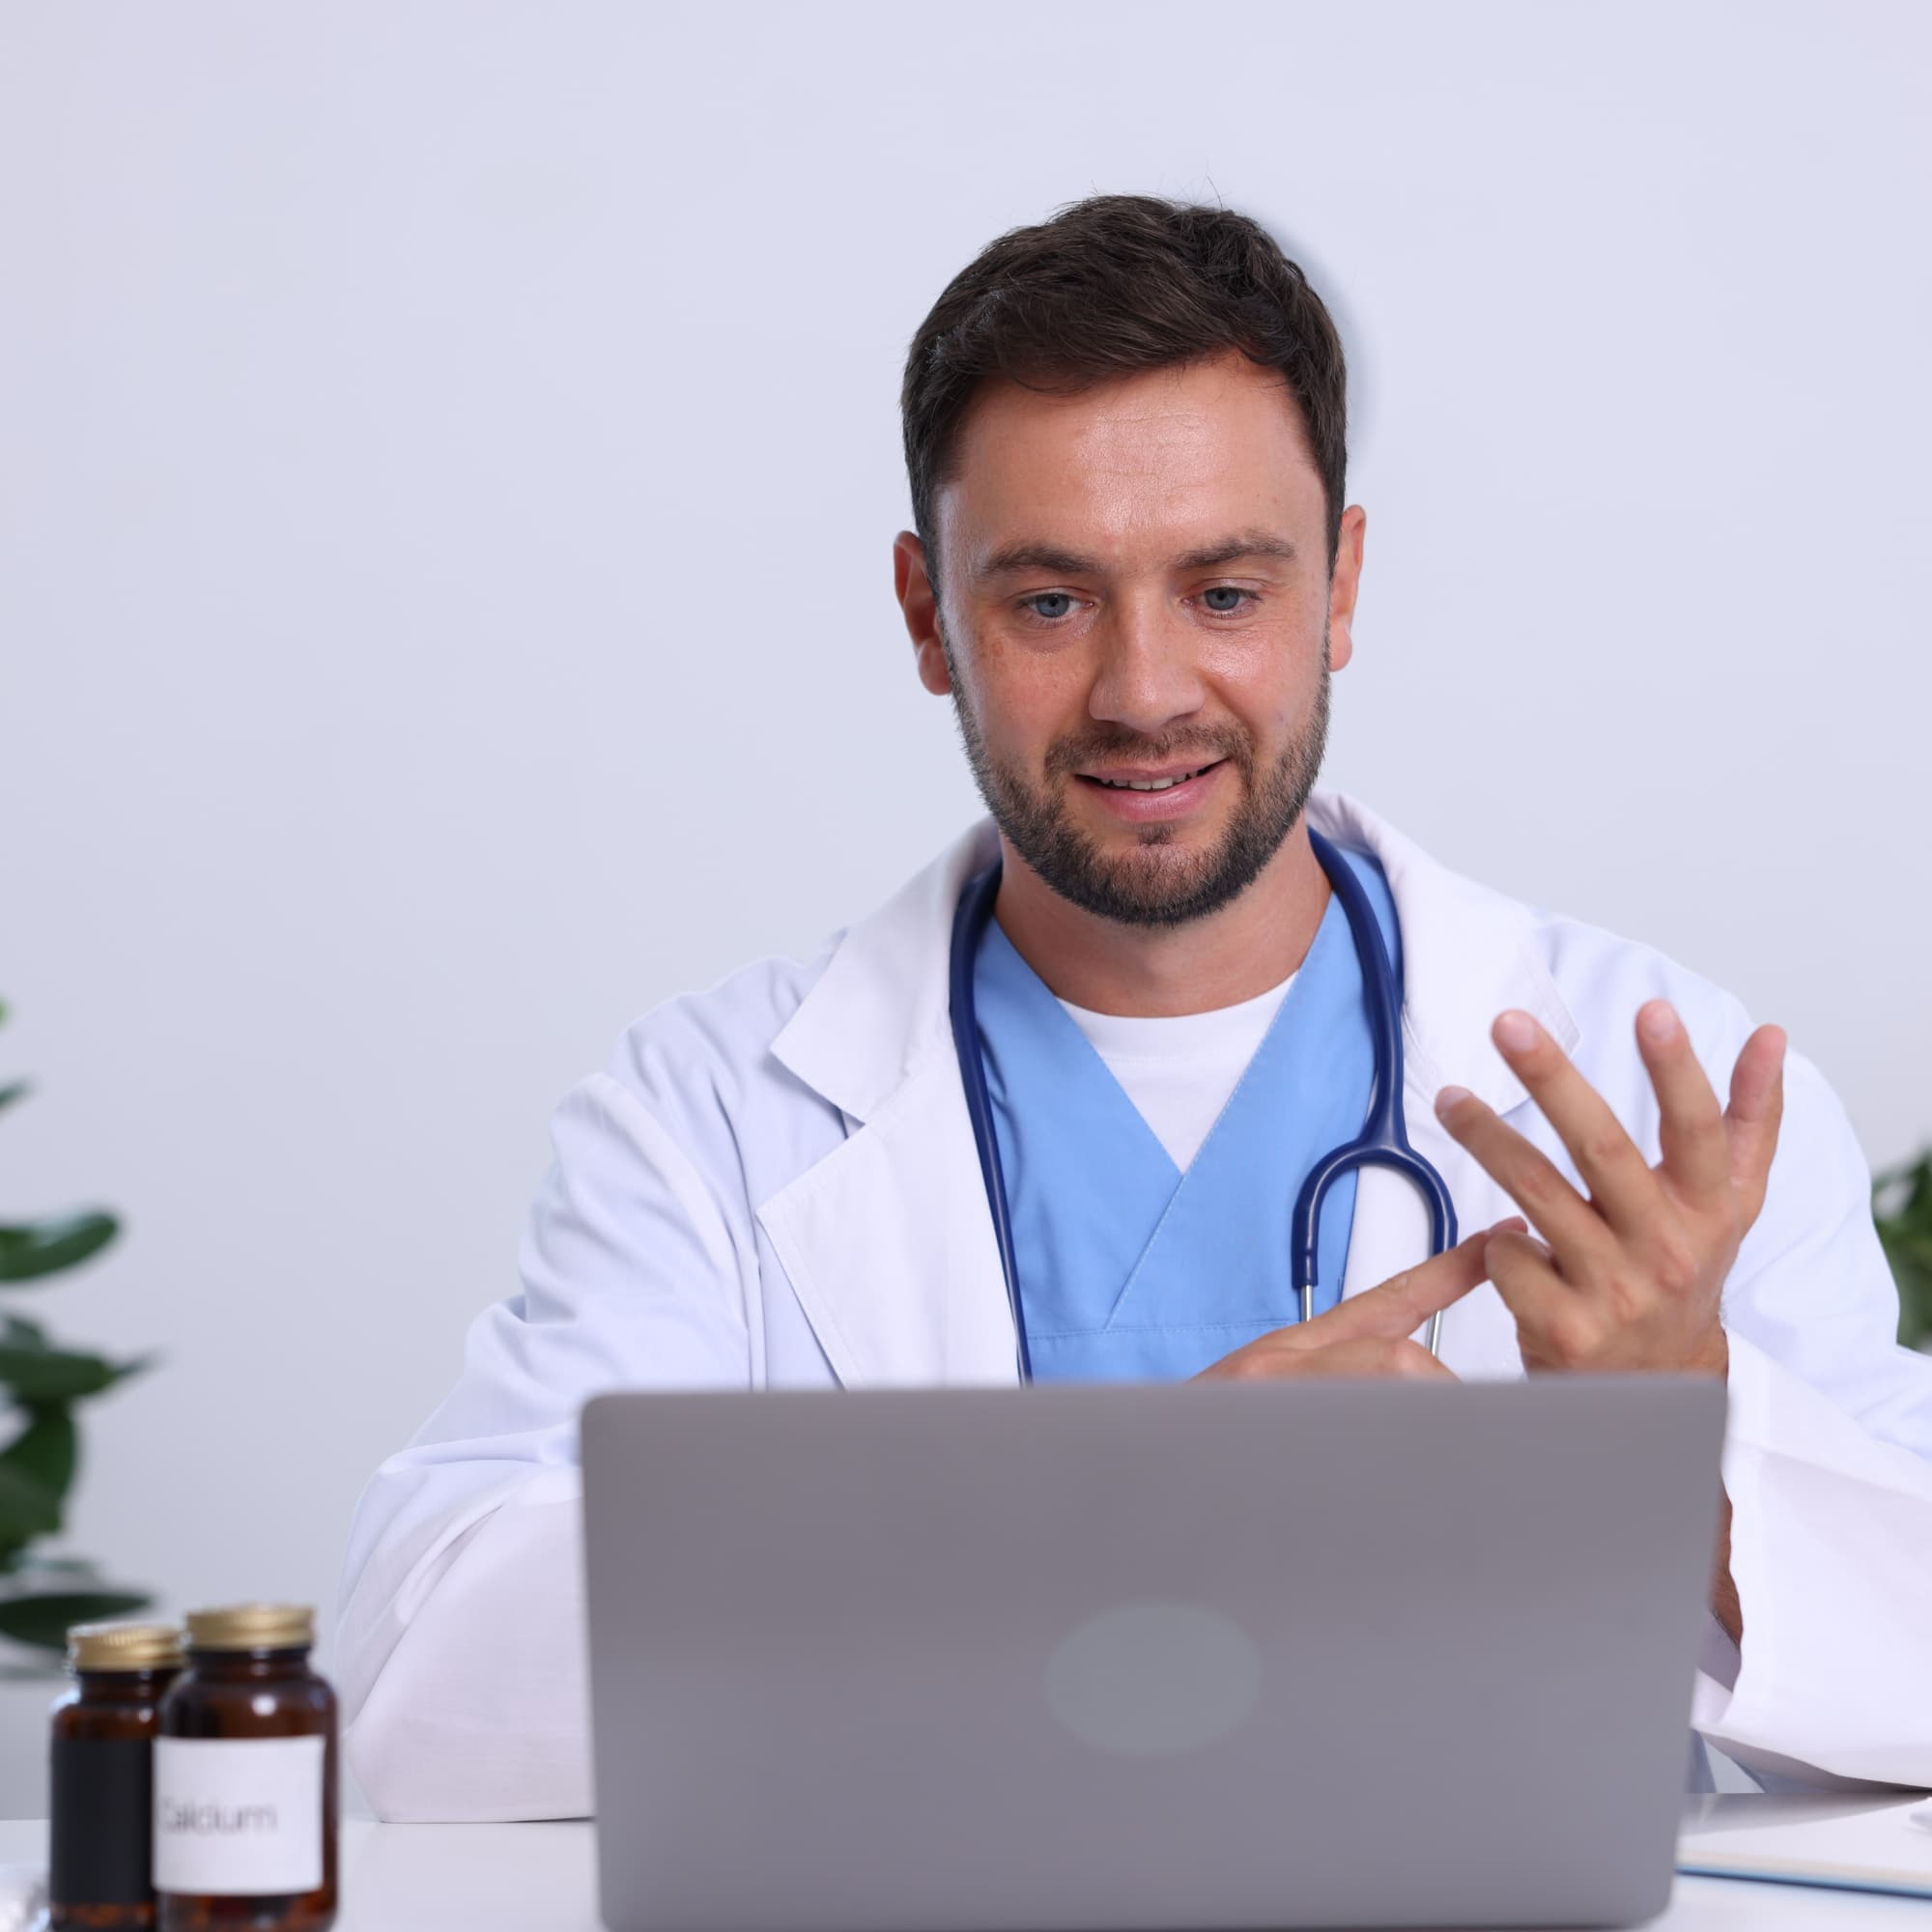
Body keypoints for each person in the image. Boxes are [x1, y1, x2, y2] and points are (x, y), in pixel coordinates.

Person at [336, 195, 1932, 1821]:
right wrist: (1127, 1501)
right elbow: (424, 1685)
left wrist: (1686, 1450)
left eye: (1225, 593)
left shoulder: (1648, 1082)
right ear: (923, 616)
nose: (1144, 690)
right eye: (1049, 602)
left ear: (1343, 586)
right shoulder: (710, 1115)